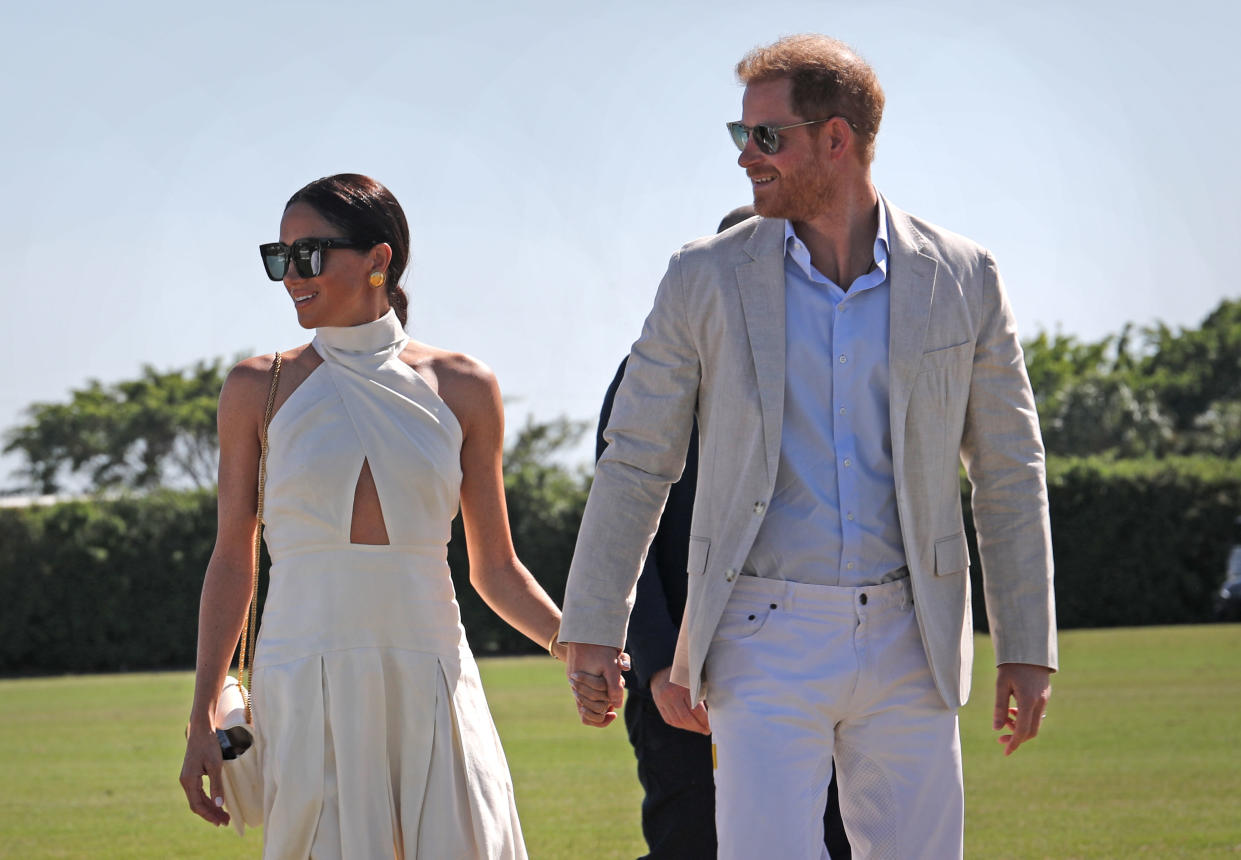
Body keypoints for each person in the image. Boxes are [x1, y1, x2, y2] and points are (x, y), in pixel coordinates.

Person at [561, 35, 1057, 859]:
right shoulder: (702, 276)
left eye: (766, 137)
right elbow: (636, 459)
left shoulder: (964, 277)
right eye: (740, 136)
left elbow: (1008, 471)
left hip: (913, 633)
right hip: (760, 632)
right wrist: (592, 626)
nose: (746, 158)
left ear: (836, 138)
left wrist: (1028, 648)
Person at [180, 173, 567, 858]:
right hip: (303, 676)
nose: (291, 275)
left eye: (310, 255)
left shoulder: (465, 385)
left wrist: (577, 646)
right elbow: (232, 557)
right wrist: (201, 714)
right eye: (281, 257)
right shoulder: (254, 386)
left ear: (379, 259)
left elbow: (496, 568)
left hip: (432, 673)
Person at [597, 204, 850, 860]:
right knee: (693, 845)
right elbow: (625, 532)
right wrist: (656, 668)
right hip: (685, 689)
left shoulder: (849, 375)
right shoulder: (650, 373)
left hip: (829, 678)